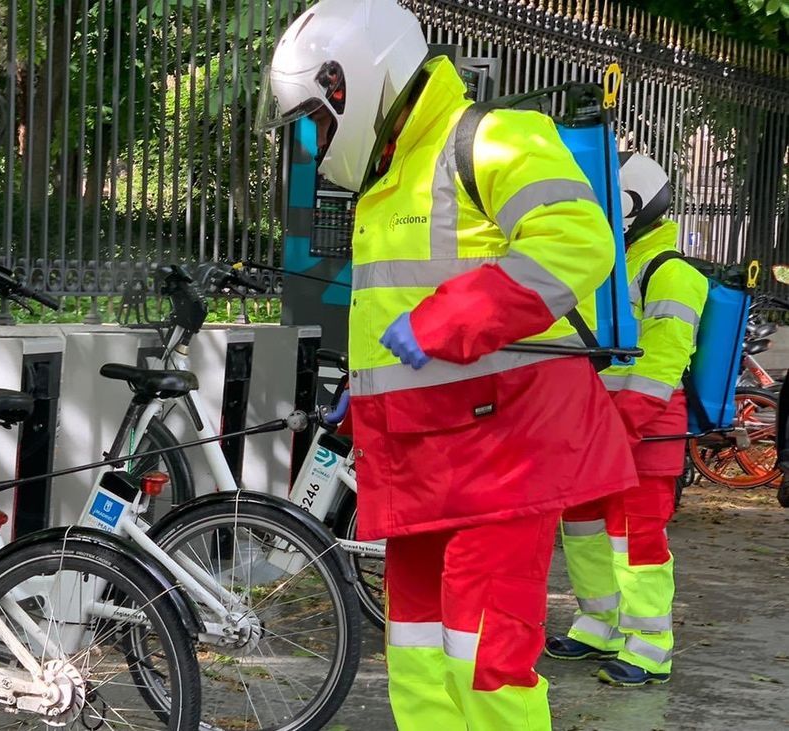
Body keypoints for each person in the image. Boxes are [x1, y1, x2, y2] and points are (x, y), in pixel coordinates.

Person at [258, 0, 637, 727]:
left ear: (352, 85)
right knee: (417, 652)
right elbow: (397, 315)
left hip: (500, 456)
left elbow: (578, 244)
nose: (315, 139)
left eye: (316, 117)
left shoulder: (494, 138)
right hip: (419, 455)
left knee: (484, 658)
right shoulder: (391, 178)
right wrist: (363, 394)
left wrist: (446, 319)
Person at [545, 151, 706, 686]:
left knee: (636, 538)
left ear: (631, 206)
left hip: (645, 429)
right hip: (599, 426)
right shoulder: (612, 266)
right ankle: (599, 622)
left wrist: (623, 422)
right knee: (584, 527)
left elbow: (663, 362)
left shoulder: (672, 272)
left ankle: (649, 646)